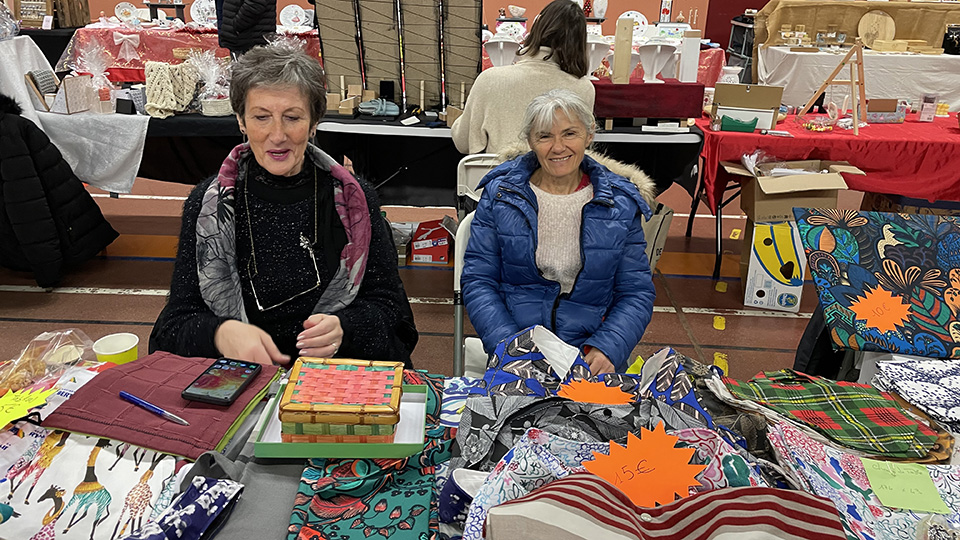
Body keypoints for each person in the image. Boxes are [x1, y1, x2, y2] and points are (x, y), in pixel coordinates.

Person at [150, 46, 418, 367]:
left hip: (331, 379)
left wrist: (347, 329)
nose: (277, 135)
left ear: (314, 122)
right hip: (241, 379)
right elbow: (174, 325)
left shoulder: (354, 200)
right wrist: (220, 333)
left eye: (292, 117)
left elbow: (392, 311)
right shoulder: (209, 204)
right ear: (241, 121)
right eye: (261, 117)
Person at [461, 90, 656, 374]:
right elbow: (479, 281)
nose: (558, 147)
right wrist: (509, 347)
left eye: (569, 134)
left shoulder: (620, 203)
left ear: (590, 136)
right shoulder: (501, 195)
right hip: (516, 349)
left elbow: (636, 292)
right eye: (544, 136)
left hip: (590, 353)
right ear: (530, 141)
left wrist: (608, 347)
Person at [0, 93, 118, 288]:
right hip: (75, 232)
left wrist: (47, 272)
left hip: (57, 243)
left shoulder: (9, 134)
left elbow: (28, 208)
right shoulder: (15, 127)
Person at [451, 0, 595, 155]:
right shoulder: (584, 88)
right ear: (580, 42)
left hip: (499, 176)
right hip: (556, 177)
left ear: (537, 25)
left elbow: (463, 142)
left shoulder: (490, 80)